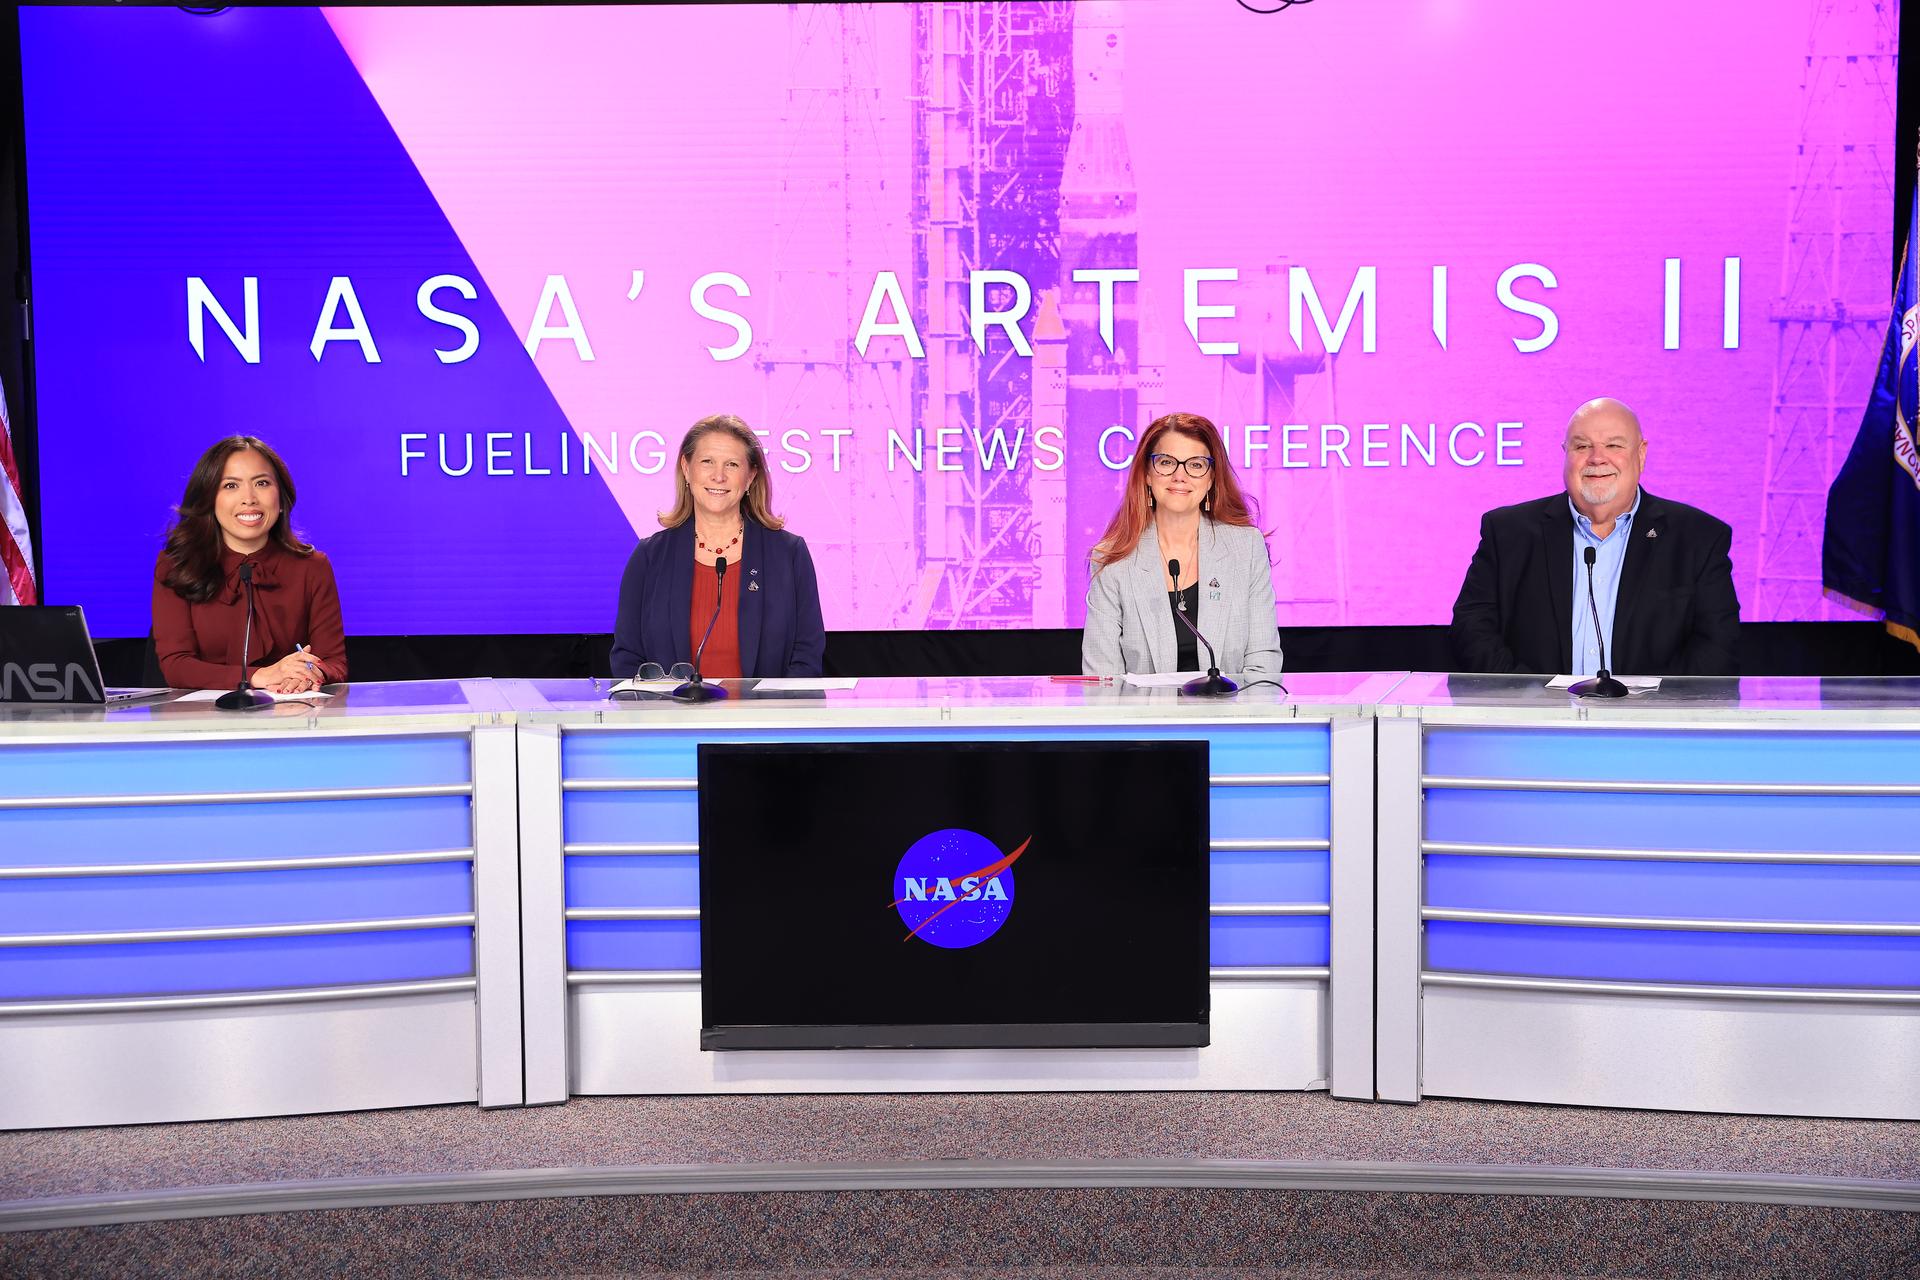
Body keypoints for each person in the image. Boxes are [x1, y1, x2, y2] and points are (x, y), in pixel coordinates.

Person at [1449, 397, 1740, 675]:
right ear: (1565, 454)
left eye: (1613, 445)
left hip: (1652, 722)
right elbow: (1472, 629)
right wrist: (1533, 698)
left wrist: (1647, 709)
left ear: (1641, 454)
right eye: (1582, 446)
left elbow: (1716, 645)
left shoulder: (1698, 538)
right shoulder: (1507, 532)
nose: (1597, 458)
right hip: (1534, 720)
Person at [612, 413, 825, 679]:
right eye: (707, 462)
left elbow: (807, 655)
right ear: (687, 469)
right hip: (672, 717)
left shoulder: (789, 554)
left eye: (732, 465)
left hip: (765, 718)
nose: (718, 476)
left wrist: (774, 714)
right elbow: (627, 657)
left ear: (750, 477)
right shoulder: (649, 557)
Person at [1082, 411, 1283, 677]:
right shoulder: (1113, 560)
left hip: (1233, 715)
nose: (1180, 476)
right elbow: (1102, 678)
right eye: (1166, 462)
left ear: (1211, 478)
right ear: (1147, 474)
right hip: (1143, 718)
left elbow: (1263, 665)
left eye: (1196, 465)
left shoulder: (1245, 549)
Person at [152, 436, 345, 692]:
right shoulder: (175, 565)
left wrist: (308, 673)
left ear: (281, 498)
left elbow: (334, 662)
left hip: (292, 714)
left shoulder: (313, 567)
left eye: (262, 483)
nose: (249, 498)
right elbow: (176, 665)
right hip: (203, 722)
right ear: (210, 498)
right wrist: (260, 676)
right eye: (231, 486)